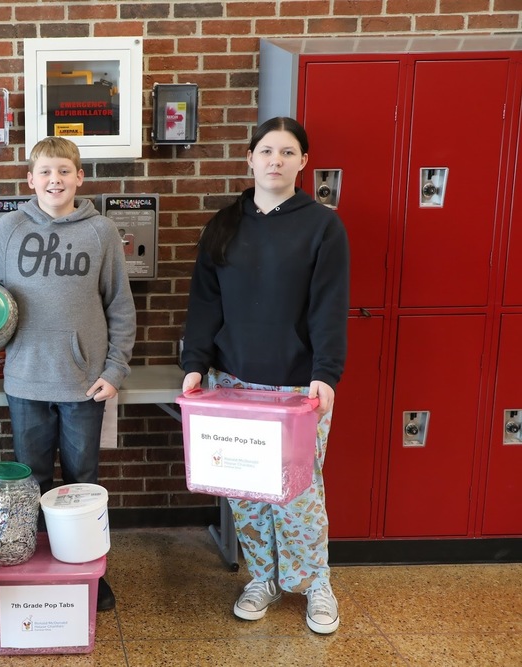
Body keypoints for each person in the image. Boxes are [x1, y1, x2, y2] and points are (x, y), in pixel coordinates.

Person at [0, 136, 136, 611]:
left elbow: (120, 306)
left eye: (64, 171)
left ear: (80, 177)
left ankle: (90, 571)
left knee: (84, 481)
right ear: (30, 180)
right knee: (33, 481)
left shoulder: (101, 232)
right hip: (25, 381)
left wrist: (116, 367)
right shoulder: (9, 230)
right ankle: (38, 565)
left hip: (85, 382)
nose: (55, 180)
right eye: (45, 172)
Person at [180, 116, 349, 634]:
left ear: (302, 163)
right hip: (232, 385)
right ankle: (264, 579)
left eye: (287, 152)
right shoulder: (225, 224)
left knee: (298, 494)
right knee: (249, 498)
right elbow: (205, 304)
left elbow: (329, 306)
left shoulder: (322, 226)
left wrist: (327, 373)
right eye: (266, 151)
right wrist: (195, 365)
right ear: (250, 159)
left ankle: (316, 584)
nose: (275, 160)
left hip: (297, 387)